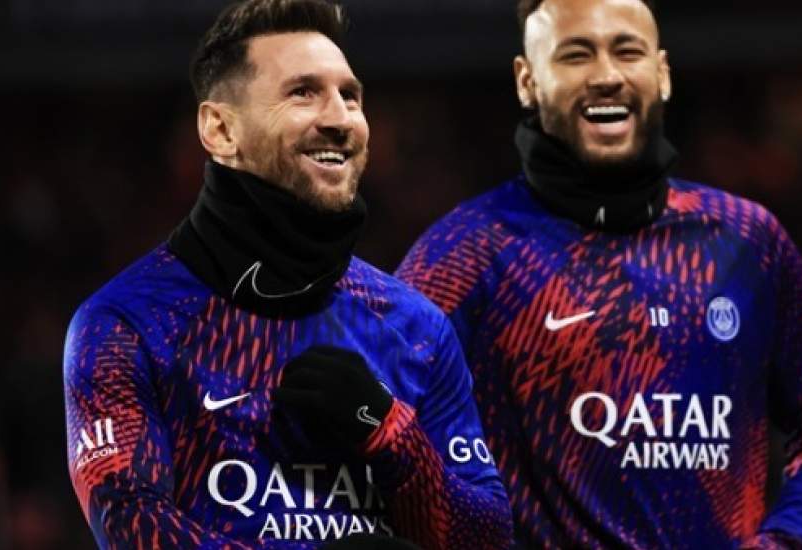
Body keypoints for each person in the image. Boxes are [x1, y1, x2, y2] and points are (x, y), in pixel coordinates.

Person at [395, 0, 802, 547]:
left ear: (661, 73)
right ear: (527, 81)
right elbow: (391, 436)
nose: (607, 75)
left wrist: (784, 540)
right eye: (576, 55)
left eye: (627, 51)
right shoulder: (465, 252)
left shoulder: (747, 240)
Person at [62, 1, 512, 548]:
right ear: (220, 128)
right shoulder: (126, 324)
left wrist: (388, 433)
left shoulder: (416, 327)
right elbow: (132, 526)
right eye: (303, 92)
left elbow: (489, 538)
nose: (340, 119)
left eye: (350, 96)